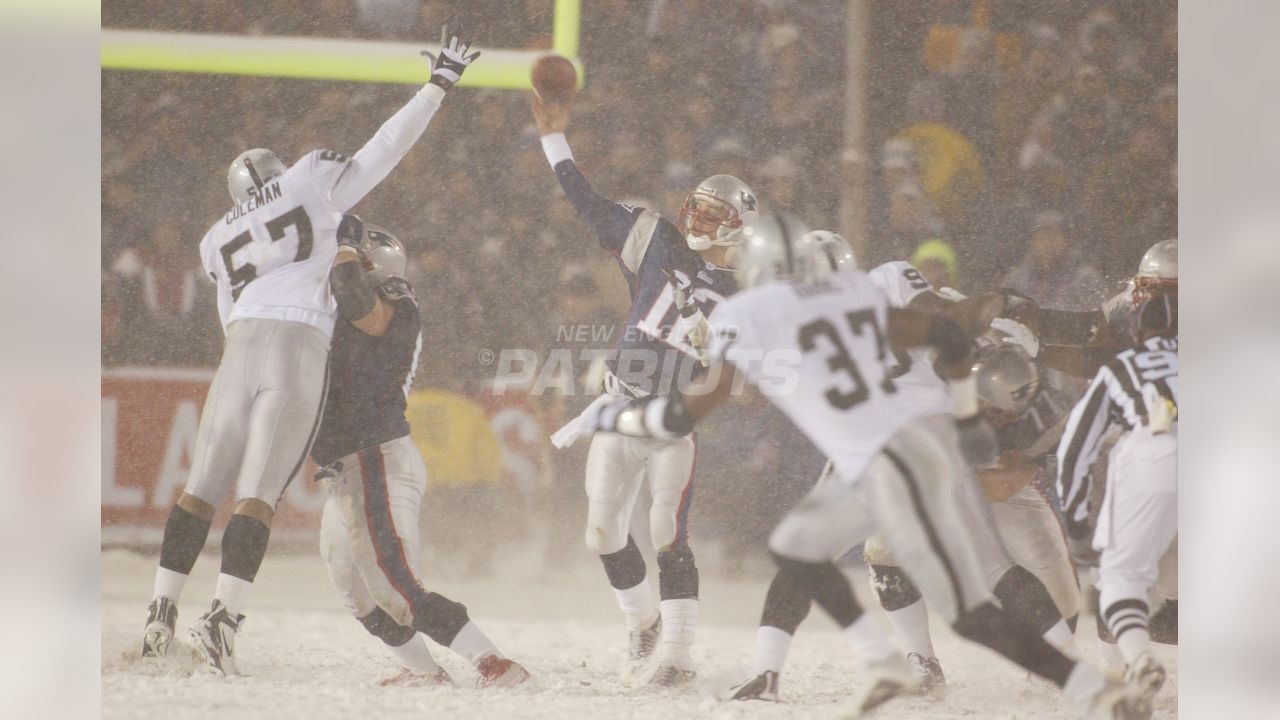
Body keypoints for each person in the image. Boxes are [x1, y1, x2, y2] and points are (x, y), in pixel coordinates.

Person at [583, 222, 1145, 718]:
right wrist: (972, 411)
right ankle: (1089, 687)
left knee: (806, 551)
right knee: (965, 601)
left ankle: (878, 662)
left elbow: (692, 408)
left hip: (885, 455)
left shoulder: (750, 316)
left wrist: (626, 415)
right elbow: (948, 331)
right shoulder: (863, 295)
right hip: (925, 446)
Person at [139, 21, 479, 676]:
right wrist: (438, 85)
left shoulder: (215, 238)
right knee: (257, 495)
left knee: (198, 489)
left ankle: (160, 611)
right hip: (295, 342)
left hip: (240, 344)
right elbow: (384, 150)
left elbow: (226, 315)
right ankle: (223, 620)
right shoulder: (309, 177)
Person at [530, 93, 753, 687]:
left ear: (737, 224)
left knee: (664, 533)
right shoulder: (656, 241)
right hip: (620, 405)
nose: (696, 220)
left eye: (711, 214)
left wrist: (722, 357)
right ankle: (644, 622)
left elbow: (751, 385)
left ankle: (678, 656)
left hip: (673, 416)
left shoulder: (751, 290)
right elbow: (588, 204)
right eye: (696, 209)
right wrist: (555, 141)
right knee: (600, 533)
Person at [313, 216, 530, 688]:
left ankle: (494, 663)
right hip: (347, 467)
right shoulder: (349, 306)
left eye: (348, 255)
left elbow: (352, 295)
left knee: (396, 585)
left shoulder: (396, 298)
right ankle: (425, 670)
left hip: (375, 456)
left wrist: (345, 245)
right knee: (356, 590)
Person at [1057, 292, 1178, 709]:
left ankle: (1141, 662)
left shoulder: (1120, 366)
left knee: (1119, 578)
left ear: (1137, 331)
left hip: (1155, 454)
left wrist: (1075, 523)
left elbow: (1074, 452)